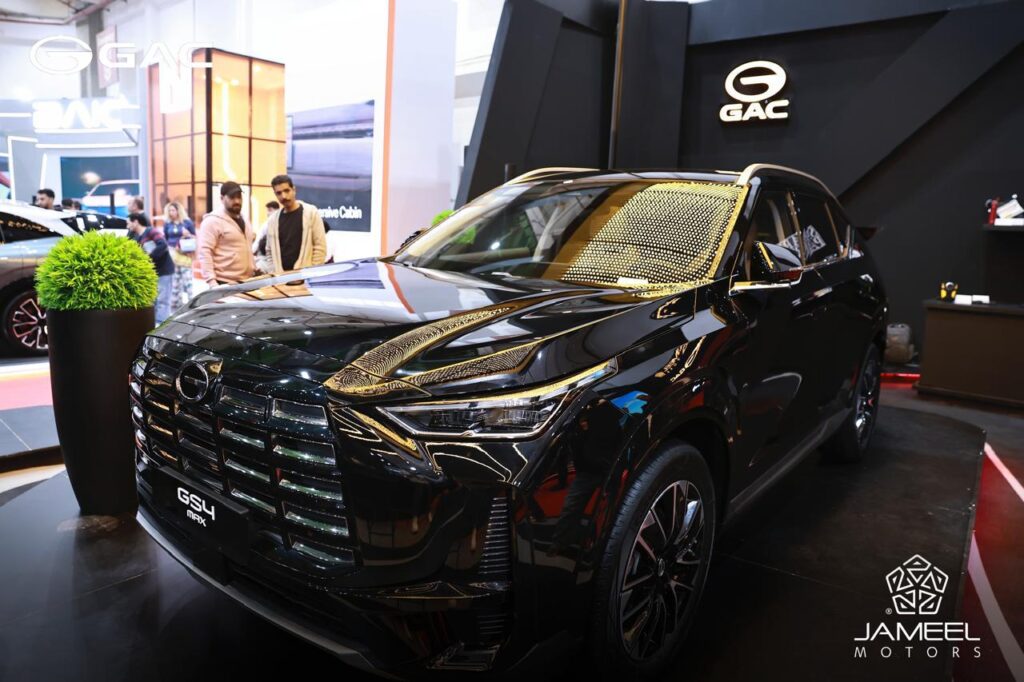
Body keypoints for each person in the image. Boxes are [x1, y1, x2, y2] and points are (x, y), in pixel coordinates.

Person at [263, 174, 327, 275]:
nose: (284, 196)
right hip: (281, 278)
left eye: (287, 191)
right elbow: (269, 251)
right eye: (279, 193)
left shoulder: (311, 212)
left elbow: (320, 247)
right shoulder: (272, 220)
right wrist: (274, 273)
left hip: (305, 277)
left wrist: (312, 273)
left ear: (294, 190)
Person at [197, 181, 255, 286]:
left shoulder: (244, 220)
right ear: (222, 198)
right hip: (224, 282)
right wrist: (212, 282)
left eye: (239, 197)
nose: (237, 201)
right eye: (232, 197)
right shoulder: (212, 221)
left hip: (247, 281)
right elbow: (205, 252)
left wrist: (254, 267)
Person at [128, 212, 175, 323]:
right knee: (154, 300)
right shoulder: (136, 236)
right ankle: (155, 324)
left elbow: (163, 245)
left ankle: (161, 326)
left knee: (163, 300)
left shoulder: (151, 231)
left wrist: (149, 258)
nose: (127, 226)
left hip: (164, 270)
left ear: (136, 222)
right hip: (152, 272)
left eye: (128, 223)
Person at [163, 201, 196, 306]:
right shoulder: (167, 223)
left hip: (184, 253)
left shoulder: (187, 222)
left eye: (173, 210)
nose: (171, 212)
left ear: (178, 211)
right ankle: (176, 302)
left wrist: (188, 234)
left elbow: (194, 237)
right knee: (175, 279)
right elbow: (166, 238)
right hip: (172, 253)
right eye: (169, 210)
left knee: (187, 278)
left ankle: (192, 302)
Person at [254, 200, 280, 269]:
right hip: (267, 255)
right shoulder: (266, 224)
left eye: (270, 210)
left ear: (277, 210)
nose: (267, 213)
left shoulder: (268, 224)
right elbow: (258, 240)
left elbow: (257, 241)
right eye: (267, 211)